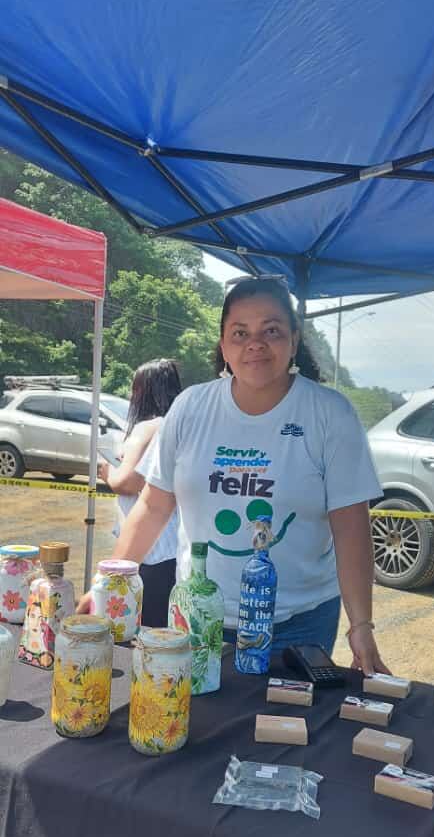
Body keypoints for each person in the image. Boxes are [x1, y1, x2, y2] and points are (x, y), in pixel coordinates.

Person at [81, 277, 388, 675]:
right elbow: (154, 506)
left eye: (271, 330)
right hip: (197, 615)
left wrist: (361, 626)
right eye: (240, 333)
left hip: (299, 623)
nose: (255, 343)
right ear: (224, 346)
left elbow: (351, 529)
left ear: (294, 341)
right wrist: (108, 584)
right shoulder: (191, 407)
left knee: (285, 730)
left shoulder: (330, 414)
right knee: (194, 724)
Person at [96, 358, 182, 627]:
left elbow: (127, 481)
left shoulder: (148, 427)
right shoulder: (178, 425)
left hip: (147, 552)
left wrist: (107, 470)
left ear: (144, 391)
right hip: (173, 550)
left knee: (137, 632)